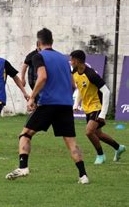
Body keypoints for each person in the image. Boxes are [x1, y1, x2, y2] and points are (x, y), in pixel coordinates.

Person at [6, 28, 89, 184]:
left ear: (38, 43)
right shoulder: (64, 59)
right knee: (71, 141)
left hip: (48, 104)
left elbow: (42, 77)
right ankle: (83, 176)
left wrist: (32, 97)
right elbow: (72, 85)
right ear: (52, 41)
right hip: (65, 106)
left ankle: (23, 167)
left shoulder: (39, 56)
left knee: (25, 135)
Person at [70, 50, 125, 164]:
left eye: (72, 60)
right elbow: (81, 88)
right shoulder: (75, 72)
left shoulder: (91, 74)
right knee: (98, 134)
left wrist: (103, 113)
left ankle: (100, 155)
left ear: (77, 61)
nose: (70, 62)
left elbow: (106, 92)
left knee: (89, 132)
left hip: (97, 106)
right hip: (87, 107)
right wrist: (76, 103)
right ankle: (118, 148)